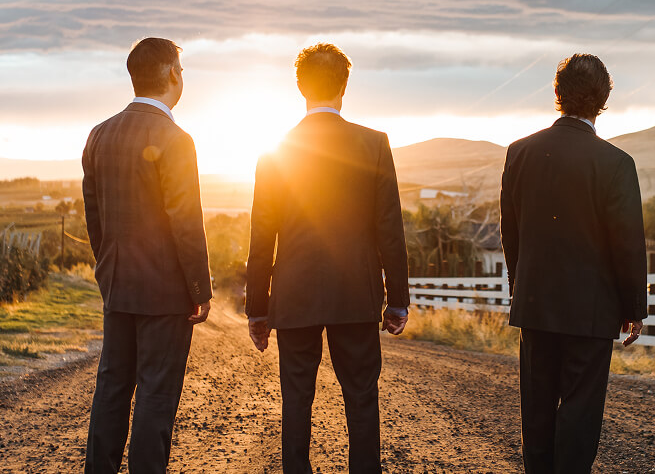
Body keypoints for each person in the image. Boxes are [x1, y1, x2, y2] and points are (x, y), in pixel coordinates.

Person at [246, 43, 410, 473]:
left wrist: (258, 310)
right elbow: (389, 231)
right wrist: (397, 300)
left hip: (295, 295)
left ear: (301, 87)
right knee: (361, 398)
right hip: (355, 294)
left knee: (296, 399)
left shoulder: (274, 150)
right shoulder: (374, 144)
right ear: (344, 85)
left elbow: (261, 236)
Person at [500, 53, 648, 473]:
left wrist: (519, 287)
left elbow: (511, 232)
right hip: (591, 310)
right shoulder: (616, 163)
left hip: (535, 302)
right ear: (603, 99)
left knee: (537, 413)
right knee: (581, 415)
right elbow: (627, 243)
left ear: (557, 93)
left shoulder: (519, 152)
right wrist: (633, 308)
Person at [82, 37, 213, 473]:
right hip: (165, 293)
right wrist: (199, 288)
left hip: (118, 286)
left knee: (112, 386)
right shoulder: (175, 138)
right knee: (157, 393)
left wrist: (109, 272)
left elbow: (94, 218)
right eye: (182, 68)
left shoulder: (99, 134)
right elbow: (185, 222)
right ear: (173, 74)